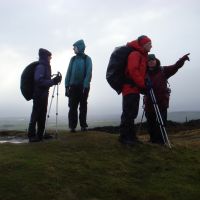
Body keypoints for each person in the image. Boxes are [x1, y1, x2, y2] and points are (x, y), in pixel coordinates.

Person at [144, 53, 190, 144]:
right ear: (147, 63)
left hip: (162, 102)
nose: (151, 62)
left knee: (162, 122)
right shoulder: (144, 73)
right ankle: (153, 140)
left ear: (156, 60)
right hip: (149, 102)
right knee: (150, 122)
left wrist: (182, 60)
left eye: (153, 60)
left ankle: (161, 141)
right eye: (149, 61)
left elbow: (175, 67)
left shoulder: (163, 70)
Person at [119, 35, 152, 145]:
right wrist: (143, 85)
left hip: (134, 89)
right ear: (143, 44)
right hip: (130, 88)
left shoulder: (141, 55)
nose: (151, 46)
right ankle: (125, 138)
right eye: (149, 44)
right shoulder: (135, 54)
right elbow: (133, 71)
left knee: (131, 114)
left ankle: (131, 137)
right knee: (128, 113)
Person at [28, 48, 62, 142]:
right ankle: (31, 136)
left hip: (43, 94)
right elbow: (38, 81)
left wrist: (54, 80)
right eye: (49, 56)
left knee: (42, 115)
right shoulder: (41, 66)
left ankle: (40, 135)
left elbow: (45, 80)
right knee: (36, 114)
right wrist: (53, 81)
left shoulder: (45, 66)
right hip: (38, 94)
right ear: (45, 56)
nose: (50, 58)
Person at [65, 39, 92, 132]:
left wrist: (85, 86)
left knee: (83, 106)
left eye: (75, 47)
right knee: (72, 107)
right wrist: (66, 85)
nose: (73, 49)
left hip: (83, 87)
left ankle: (83, 126)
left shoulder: (87, 59)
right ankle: (72, 127)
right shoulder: (72, 59)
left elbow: (88, 73)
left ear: (80, 47)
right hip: (73, 87)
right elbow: (68, 73)